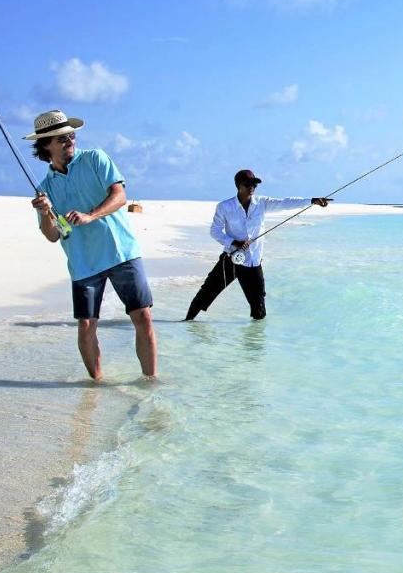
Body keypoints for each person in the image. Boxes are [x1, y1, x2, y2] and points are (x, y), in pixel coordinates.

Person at [26, 109, 157, 381]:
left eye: (70, 135)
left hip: (120, 252)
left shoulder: (96, 158)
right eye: (60, 138)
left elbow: (120, 196)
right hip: (83, 263)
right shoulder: (43, 189)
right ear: (45, 146)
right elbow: (52, 235)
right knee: (86, 325)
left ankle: (149, 382)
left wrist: (91, 215)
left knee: (142, 317)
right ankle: (95, 386)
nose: (69, 140)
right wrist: (47, 211)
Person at [185, 169, 329, 321]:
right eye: (248, 184)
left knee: (259, 310)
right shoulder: (224, 207)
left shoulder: (261, 203)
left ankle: (255, 342)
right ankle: (186, 323)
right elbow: (215, 231)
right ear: (239, 186)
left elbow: (285, 203)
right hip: (231, 259)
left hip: (253, 263)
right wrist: (234, 242)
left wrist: (312, 201)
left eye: (254, 184)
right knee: (206, 292)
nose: (252, 187)